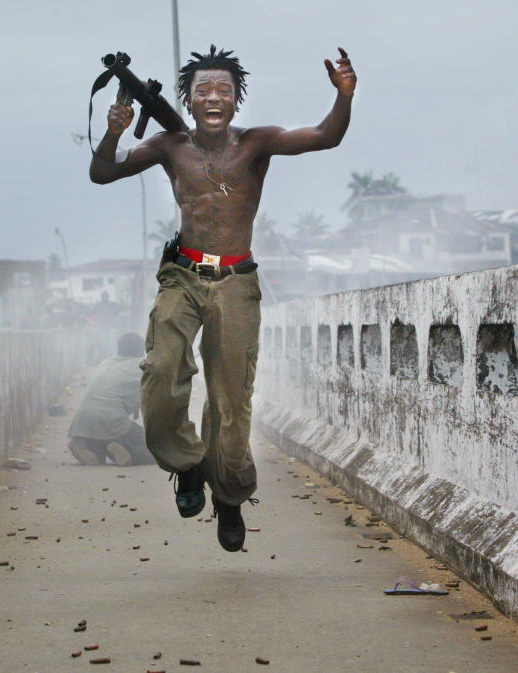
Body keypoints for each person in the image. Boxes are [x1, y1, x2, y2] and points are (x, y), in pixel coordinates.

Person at [89, 45, 356, 551]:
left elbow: (326, 136)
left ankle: (229, 496)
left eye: (224, 91)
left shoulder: (257, 143)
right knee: (162, 368)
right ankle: (188, 465)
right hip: (183, 276)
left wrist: (343, 96)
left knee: (231, 399)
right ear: (188, 99)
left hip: (237, 280)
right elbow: (102, 172)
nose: (214, 97)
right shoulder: (170, 146)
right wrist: (114, 131)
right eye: (204, 90)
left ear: (237, 101)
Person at [67, 332, 154, 467]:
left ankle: (85, 446)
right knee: (154, 451)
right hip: (110, 420)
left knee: (99, 452)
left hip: (82, 422)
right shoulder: (143, 367)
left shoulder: (107, 362)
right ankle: (122, 449)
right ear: (141, 349)